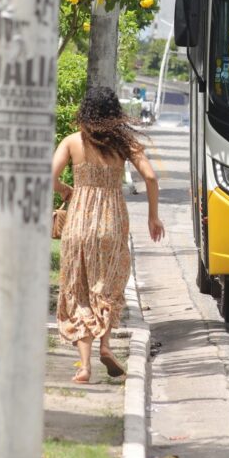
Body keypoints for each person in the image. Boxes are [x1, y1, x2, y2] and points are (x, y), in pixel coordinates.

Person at [51, 86, 165, 383]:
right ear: (114, 113)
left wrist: (65, 191)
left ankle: (85, 366)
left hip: (78, 222)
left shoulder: (72, 141)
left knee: (80, 291)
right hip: (112, 222)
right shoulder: (124, 144)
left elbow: (48, 176)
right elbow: (151, 177)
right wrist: (153, 216)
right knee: (108, 287)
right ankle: (105, 346)